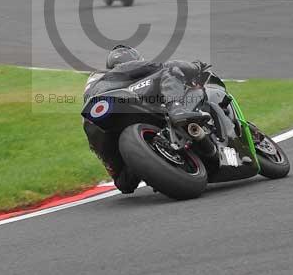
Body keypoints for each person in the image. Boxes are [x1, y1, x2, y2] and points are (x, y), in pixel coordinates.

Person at [82, 45, 209, 193]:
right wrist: (196, 67)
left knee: (124, 182)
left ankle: (142, 161)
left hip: (94, 123)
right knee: (170, 70)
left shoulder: (94, 81)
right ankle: (176, 109)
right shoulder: (127, 69)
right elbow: (166, 65)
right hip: (118, 105)